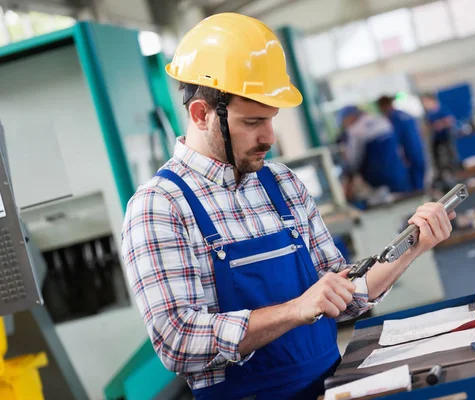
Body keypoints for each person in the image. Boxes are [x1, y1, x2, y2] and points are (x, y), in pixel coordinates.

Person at [121, 13, 455, 400]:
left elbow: (344, 294)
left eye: (272, 119)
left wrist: (413, 246)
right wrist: (295, 310)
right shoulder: (159, 207)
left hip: (330, 386)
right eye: (253, 122)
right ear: (201, 114)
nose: (269, 137)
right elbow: (177, 341)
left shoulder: (282, 183)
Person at [337, 105, 413, 195]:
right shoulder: (381, 120)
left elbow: (353, 162)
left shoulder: (355, 131)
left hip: (378, 181)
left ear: (350, 117)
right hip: (398, 173)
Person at [377, 95, 426, 190]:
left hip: (408, 154)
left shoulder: (392, 119)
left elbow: (396, 140)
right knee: (420, 179)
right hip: (418, 150)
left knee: (413, 185)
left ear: (383, 106)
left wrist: (401, 157)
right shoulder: (405, 114)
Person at [421, 93, 461, 176]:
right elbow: (428, 126)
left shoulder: (441, 109)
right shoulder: (428, 114)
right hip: (437, 138)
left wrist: (440, 124)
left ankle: (456, 172)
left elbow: (450, 120)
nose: (425, 104)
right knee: (436, 157)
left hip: (446, 136)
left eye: (426, 102)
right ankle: (441, 175)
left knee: (450, 155)